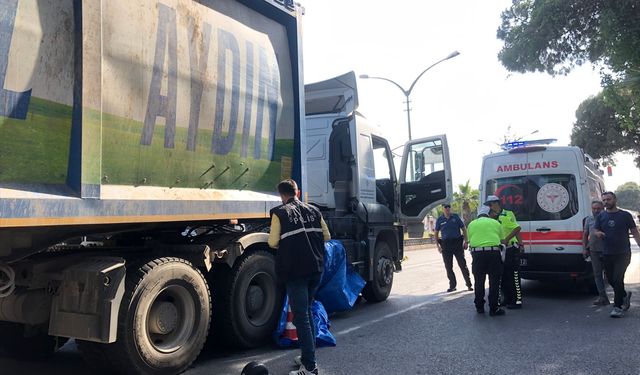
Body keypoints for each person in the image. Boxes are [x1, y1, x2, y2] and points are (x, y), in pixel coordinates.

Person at [268, 179, 331, 375]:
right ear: (298, 192)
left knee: (301, 317)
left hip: (296, 272)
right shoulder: (314, 210)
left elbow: (272, 242)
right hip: (316, 269)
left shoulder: (279, 213)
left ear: (281, 195)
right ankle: (307, 356)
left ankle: (310, 368)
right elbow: (327, 236)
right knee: (308, 313)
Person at [593, 191, 640, 318]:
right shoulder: (601, 216)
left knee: (618, 278)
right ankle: (624, 295)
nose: (606, 202)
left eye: (608, 199)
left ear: (615, 200)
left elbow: (634, 232)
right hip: (607, 253)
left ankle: (617, 307)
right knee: (611, 279)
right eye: (604, 200)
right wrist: (597, 233)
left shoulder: (625, 215)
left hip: (623, 253)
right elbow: (596, 229)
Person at [484, 195, 523, 309]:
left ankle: (517, 301)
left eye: (490, 205)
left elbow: (516, 228)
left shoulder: (507, 214)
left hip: (511, 248)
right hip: (499, 250)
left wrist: (520, 243)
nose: (489, 207)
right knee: (503, 276)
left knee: (514, 276)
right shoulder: (490, 218)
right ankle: (507, 299)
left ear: (496, 203)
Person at [467, 205, 505, 316]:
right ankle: (494, 308)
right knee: (494, 281)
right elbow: (502, 240)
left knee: (479, 281)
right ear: (489, 214)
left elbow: (470, 240)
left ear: (478, 214)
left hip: (477, 254)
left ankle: (479, 307)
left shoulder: (471, 224)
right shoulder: (496, 223)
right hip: (493, 253)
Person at [434, 203, 473, 292]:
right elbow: (436, 233)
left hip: (457, 244)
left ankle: (469, 284)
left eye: (449, 207)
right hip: (446, 245)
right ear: (442, 209)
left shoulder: (455, 217)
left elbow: (463, 229)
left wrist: (466, 241)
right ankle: (452, 286)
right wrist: (438, 246)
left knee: (462, 265)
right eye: (445, 207)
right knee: (448, 267)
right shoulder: (440, 219)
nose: (447, 209)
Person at [582, 200, 609, 305]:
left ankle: (621, 296)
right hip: (594, 251)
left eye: (598, 208)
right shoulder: (588, 219)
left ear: (603, 208)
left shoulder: (607, 218)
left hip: (607, 251)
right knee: (597, 275)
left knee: (611, 276)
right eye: (594, 208)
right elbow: (585, 234)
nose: (596, 211)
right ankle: (603, 297)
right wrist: (584, 248)